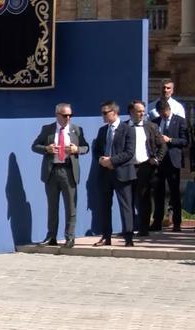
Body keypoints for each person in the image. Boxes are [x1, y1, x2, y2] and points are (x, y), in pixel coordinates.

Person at [31, 103, 88, 248]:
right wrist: (47, 149)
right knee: (52, 206)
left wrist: (77, 149)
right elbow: (34, 146)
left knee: (70, 206)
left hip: (69, 170)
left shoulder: (76, 130)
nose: (68, 118)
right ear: (57, 115)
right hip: (52, 171)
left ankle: (70, 237)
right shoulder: (48, 129)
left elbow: (86, 147)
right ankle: (51, 236)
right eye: (65, 115)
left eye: (70, 115)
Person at [93, 101, 136, 247]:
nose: (103, 116)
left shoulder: (128, 129)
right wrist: (101, 160)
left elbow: (129, 152)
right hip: (105, 173)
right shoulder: (102, 130)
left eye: (105, 113)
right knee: (105, 205)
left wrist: (112, 161)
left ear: (114, 112)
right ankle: (106, 236)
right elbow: (97, 150)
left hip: (122, 173)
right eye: (102, 113)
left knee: (126, 206)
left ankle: (128, 237)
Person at [126, 99, 165, 237]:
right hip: (128, 167)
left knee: (143, 199)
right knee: (127, 200)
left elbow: (162, 145)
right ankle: (128, 229)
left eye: (143, 111)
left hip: (145, 167)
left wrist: (156, 159)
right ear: (131, 112)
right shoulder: (124, 127)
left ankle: (143, 229)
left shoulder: (151, 126)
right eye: (139, 111)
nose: (142, 114)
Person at [152, 100, 188, 232]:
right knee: (158, 193)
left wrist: (170, 140)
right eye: (161, 114)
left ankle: (177, 223)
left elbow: (185, 141)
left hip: (173, 162)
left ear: (168, 109)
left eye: (164, 113)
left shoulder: (180, 121)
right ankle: (157, 221)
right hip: (159, 162)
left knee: (174, 193)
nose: (163, 116)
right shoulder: (155, 122)